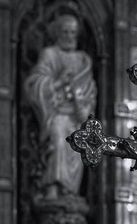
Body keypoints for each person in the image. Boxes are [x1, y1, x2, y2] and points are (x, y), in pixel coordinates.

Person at [25, 14, 97, 199]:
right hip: (56, 115)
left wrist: (84, 110)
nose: (69, 36)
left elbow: (89, 91)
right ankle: (53, 188)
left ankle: (69, 192)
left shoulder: (83, 60)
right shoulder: (50, 54)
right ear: (57, 33)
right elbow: (35, 84)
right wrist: (57, 83)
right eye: (65, 32)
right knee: (58, 142)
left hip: (76, 116)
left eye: (73, 32)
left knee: (77, 148)